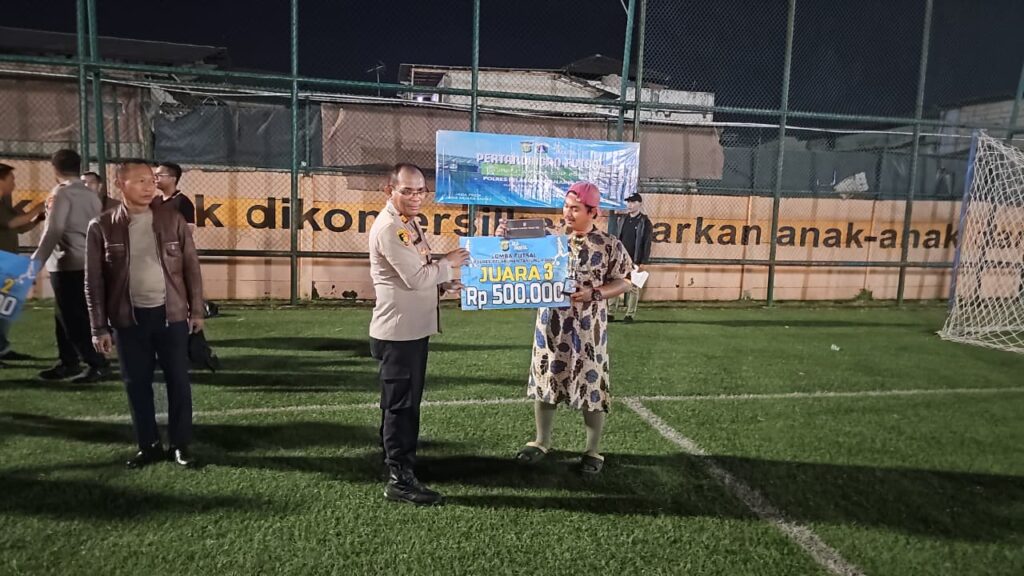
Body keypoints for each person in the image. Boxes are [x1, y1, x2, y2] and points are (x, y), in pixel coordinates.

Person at [502, 181, 633, 475]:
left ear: (593, 212)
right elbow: (513, 252)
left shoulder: (609, 244)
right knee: (547, 378)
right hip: (551, 324)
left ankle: (592, 450)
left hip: (588, 328)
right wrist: (504, 237)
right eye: (566, 206)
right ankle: (541, 441)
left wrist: (594, 293)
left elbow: (625, 280)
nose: (568, 213)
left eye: (575, 208)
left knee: (591, 385)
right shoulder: (551, 239)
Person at [85, 159, 204, 469]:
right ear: (120, 184)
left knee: (178, 381)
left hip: (171, 316)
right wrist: (99, 327)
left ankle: (180, 445)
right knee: (136, 384)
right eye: (140, 181)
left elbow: (191, 267)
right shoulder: (101, 226)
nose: (149, 186)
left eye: (152, 180)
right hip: (128, 321)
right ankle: (148, 445)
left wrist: (196, 310)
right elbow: (94, 282)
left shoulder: (173, 219)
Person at [368, 163, 469, 505]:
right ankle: (400, 479)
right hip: (399, 334)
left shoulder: (407, 223)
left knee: (401, 404)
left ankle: (397, 464)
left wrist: (444, 284)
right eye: (407, 191)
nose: (415, 197)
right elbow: (415, 278)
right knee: (401, 407)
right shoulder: (390, 228)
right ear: (389, 190)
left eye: (421, 190)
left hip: (408, 331)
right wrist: (449, 263)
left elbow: (420, 270)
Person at [31, 149, 109, 383]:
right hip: (88, 260)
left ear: (55, 169)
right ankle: (68, 361)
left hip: (67, 262)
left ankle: (95, 363)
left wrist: (36, 262)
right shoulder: (91, 195)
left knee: (72, 318)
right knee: (66, 315)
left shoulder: (61, 193)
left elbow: (54, 229)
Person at [0, 163, 45, 364]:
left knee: (5, 309)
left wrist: (37, 219)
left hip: (8, 262)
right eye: (11, 179)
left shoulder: (4, 205)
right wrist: (38, 208)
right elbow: (12, 223)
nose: (14, 183)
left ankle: (2, 348)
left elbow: (19, 228)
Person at [610, 192, 652, 323]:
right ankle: (611, 312)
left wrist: (643, 261)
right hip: (621, 259)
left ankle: (630, 314)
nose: (630, 205)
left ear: (640, 204)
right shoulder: (623, 219)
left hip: (635, 259)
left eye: (633, 202)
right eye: (628, 202)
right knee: (615, 284)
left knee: (634, 287)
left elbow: (647, 242)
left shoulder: (645, 222)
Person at [154, 162, 196, 229]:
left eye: (159, 175)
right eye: (155, 175)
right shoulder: (155, 201)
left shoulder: (183, 202)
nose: (155, 178)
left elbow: (188, 231)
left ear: (173, 179)